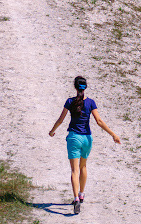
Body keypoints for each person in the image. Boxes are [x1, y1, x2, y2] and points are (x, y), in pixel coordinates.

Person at [49, 75, 121, 214]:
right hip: (87, 139)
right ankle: (82, 194)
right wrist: (113, 135)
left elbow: (61, 120)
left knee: (74, 170)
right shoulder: (91, 103)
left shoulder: (70, 102)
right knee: (83, 167)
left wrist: (52, 131)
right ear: (85, 87)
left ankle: (76, 198)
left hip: (74, 138)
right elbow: (99, 121)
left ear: (75, 87)